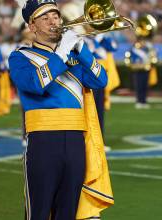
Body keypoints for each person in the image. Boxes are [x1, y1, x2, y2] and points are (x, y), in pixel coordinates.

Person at [9, 0, 114, 219]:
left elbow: (101, 80)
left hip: (76, 140)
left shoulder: (74, 57)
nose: (53, 22)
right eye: (44, 18)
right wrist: (61, 54)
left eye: (55, 16)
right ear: (32, 26)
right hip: (43, 141)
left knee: (68, 211)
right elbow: (35, 85)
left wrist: (82, 50)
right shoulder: (20, 57)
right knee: (39, 211)